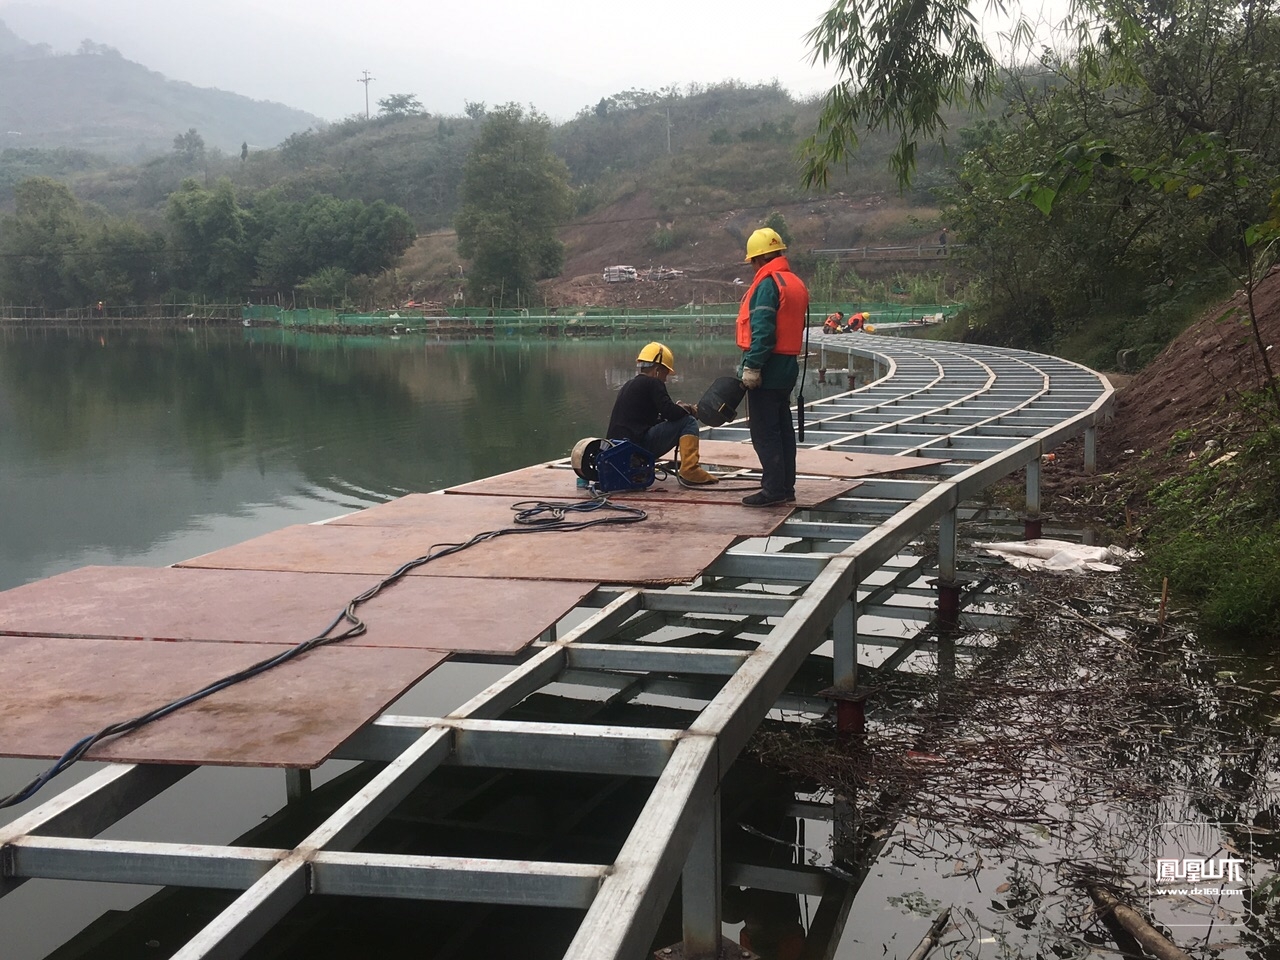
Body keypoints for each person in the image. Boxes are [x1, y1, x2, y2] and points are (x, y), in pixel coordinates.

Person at [736, 227, 809, 506]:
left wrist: (752, 366)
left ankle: (772, 490)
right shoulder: (794, 282)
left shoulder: (767, 284)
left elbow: (764, 331)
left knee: (765, 432)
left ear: (758, 259)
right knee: (782, 430)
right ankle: (785, 486)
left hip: (767, 368)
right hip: (788, 367)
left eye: (752, 262)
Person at [606, 342, 717, 485]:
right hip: (638, 448)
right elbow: (669, 412)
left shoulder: (629, 385)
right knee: (689, 421)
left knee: (680, 419)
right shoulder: (653, 383)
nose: (666, 379)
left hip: (618, 450)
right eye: (665, 373)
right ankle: (690, 470)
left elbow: (650, 419)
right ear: (657, 370)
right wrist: (688, 409)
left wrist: (675, 410)